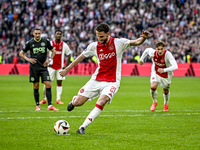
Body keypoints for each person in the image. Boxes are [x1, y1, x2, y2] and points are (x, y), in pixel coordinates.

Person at [59, 22, 150, 134]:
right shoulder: (94, 46)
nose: (99, 38)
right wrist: (67, 69)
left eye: (101, 36)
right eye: (98, 36)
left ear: (108, 34)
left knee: (103, 100)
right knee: (79, 102)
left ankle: (82, 127)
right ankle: (74, 101)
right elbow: (80, 57)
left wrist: (143, 38)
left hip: (112, 81)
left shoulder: (118, 43)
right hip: (97, 79)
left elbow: (136, 42)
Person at [19, 27, 59, 111]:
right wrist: (29, 59)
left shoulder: (45, 41)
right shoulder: (30, 43)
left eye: (39, 33)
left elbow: (54, 51)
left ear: (41, 33)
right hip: (34, 68)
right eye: (36, 33)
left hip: (44, 67)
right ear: (33, 34)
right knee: (36, 86)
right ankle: (37, 105)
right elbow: (21, 53)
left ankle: (50, 105)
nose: (37, 35)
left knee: (48, 84)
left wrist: (49, 60)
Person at [139, 40, 178, 111]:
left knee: (165, 90)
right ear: (156, 49)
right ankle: (154, 102)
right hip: (156, 72)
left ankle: (166, 104)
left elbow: (175, 66)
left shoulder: (168, 54)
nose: (160, 51)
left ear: (164, 49)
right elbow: (146, 50)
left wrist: (164, 70)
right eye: (158, 49)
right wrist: (141, 59)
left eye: (161, 49)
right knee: (153, 87)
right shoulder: (153, 53)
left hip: (166, 74)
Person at [39, 29, 71, 105]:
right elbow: (43, 52)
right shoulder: (50, 43)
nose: (59, 35)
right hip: (51, 67)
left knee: (59, 82)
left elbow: (69, 55)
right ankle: (44, 99)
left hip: (60, 67)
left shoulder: (64, 45)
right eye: (57, 34)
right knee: (47, 82)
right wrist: (47, 61)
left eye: (60, 34)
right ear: (55, 35)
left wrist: (66, 66)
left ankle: (58, 99)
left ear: (61, 35)